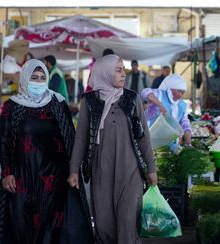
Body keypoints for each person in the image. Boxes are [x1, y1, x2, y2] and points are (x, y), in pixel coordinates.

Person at [0, 59, 91, 244]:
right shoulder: (13, 106)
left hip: (55, 177)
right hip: (23, 176)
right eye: (34, 78)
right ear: (25, 79)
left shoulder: (57, 103)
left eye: (41, 78)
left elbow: (70, 137)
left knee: (51, 225)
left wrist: (74, 170)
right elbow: (5, 141)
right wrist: (7, 173)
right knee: (21, 222)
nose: (38, 82)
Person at [67, 54, 157, 244]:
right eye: (118, 70)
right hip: (102, 170)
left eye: (123, 69)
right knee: (104, 224)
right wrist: (74, 169)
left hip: (130, 170)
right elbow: (82, 137)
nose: (123, 74)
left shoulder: (132, 99)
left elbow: (144, 137)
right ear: (104, 73)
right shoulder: (90, 102)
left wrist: (151, 167)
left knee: (127, 223)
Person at [141, 74, 192, 148]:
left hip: (170, 144)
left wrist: (188, 143)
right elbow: (144, 92)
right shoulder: (160, 94)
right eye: (178, 91)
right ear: (171, 88)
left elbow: (185, 124)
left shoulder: (182, 105)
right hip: (151, 140)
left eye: (182, 92)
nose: (180, 95)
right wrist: (159, 104)